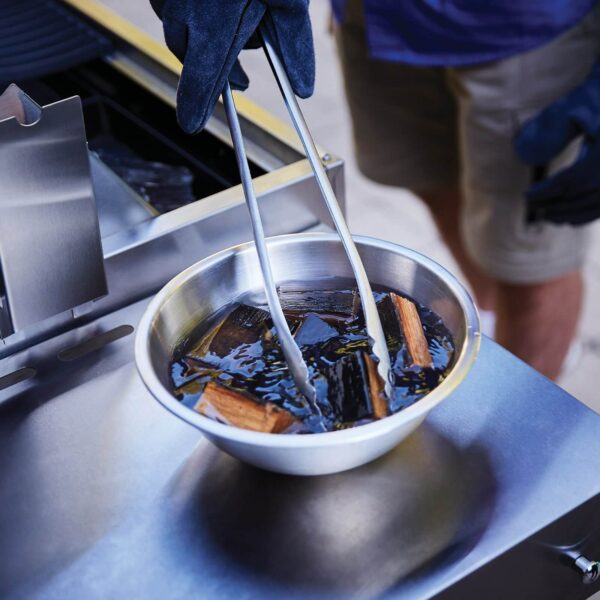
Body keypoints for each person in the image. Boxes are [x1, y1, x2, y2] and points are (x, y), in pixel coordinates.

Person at [150, 0, 600, 380]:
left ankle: (524, 395)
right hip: (382, 15)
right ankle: (494, 309)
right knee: (427, 177)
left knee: (530, 260)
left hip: (531, 27)